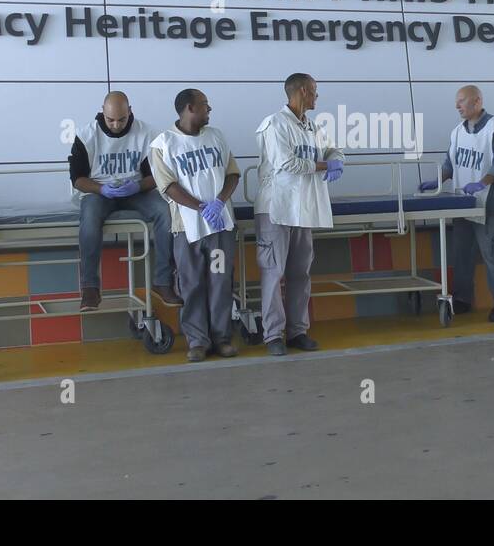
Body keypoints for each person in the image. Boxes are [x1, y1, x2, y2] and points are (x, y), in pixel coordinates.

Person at [254, 73, 344, 356]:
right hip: (276, 209)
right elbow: (287, 164)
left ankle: (297, 331)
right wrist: (323, 166)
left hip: (303, 207)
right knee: (274, 272)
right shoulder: (274, 124)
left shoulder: (312, 126)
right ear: (303, 91)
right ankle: (272, 335)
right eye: (315, 91)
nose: (318, 96)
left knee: (299, 273)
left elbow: (330, 149)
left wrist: (337, 159)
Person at [151, 89, 242, 362]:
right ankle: (197, 341)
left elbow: (232, 175)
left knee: (220, 282)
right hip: (187, 229)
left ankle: (221, 338)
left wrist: (219, 202)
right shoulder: (163, 144)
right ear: (190, 108)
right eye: (205, 105)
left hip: (220, 227)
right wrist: (201, 207)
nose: (209, 109)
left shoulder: (216, 136)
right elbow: (168, 187)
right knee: (191, 285)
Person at [68, 91, 177, 311]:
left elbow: (156, 176)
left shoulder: (148, 134)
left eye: (122, 119)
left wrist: (136, 186)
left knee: (166, 212)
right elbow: (78, 179)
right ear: (102, 112)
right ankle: (90, 287)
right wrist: (101, 189)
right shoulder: (85, 135)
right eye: (110, 120)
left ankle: (163, 281)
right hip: (99, 191)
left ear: (130, 111)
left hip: (136, 190)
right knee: (89, 219)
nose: (116, 125)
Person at [421, 84, 494, 322]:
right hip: (463, 204)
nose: (457, 106)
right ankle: (463, 299)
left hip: (489, 205)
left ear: (477, 102)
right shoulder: (457, 132)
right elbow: (449, 164)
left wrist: (482, 183)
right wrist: (437, 181)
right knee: (461, 255)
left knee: (493, 255)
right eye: (457, 102)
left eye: (462, 101)